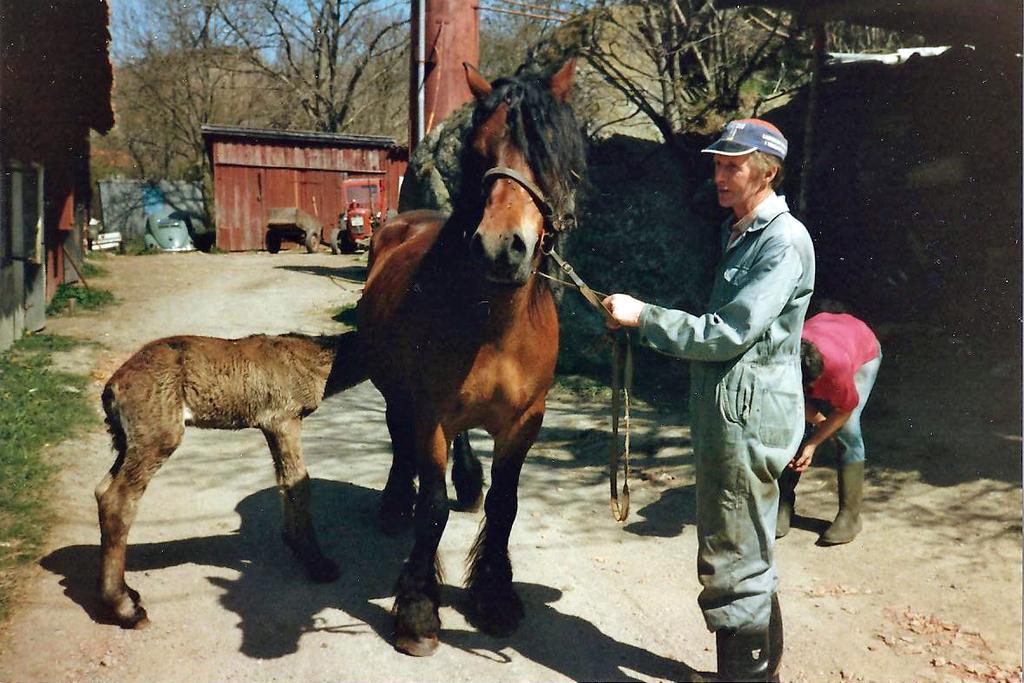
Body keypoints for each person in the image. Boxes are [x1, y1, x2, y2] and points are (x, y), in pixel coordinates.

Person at [602, 118, 814, 682]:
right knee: (742, 544)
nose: (719, 175)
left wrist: (644, 317)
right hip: (738, 412)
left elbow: (726, 334)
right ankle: (753, 676)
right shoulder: (742, 231)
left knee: (734, 552)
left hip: (750, 418)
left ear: (766, 172)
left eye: (732, 165)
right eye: (717, 164)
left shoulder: (781, 240)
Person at [777, 311, 881, 545]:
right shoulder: (781, 354)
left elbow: (843, 411)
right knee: (790, 422)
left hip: (862, 348)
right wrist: (817, 428)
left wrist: (813, 443)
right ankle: (782, 504)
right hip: (822, 336)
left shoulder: (837, 373)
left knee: (848, 432)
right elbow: (791, 401)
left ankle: (850, 516)